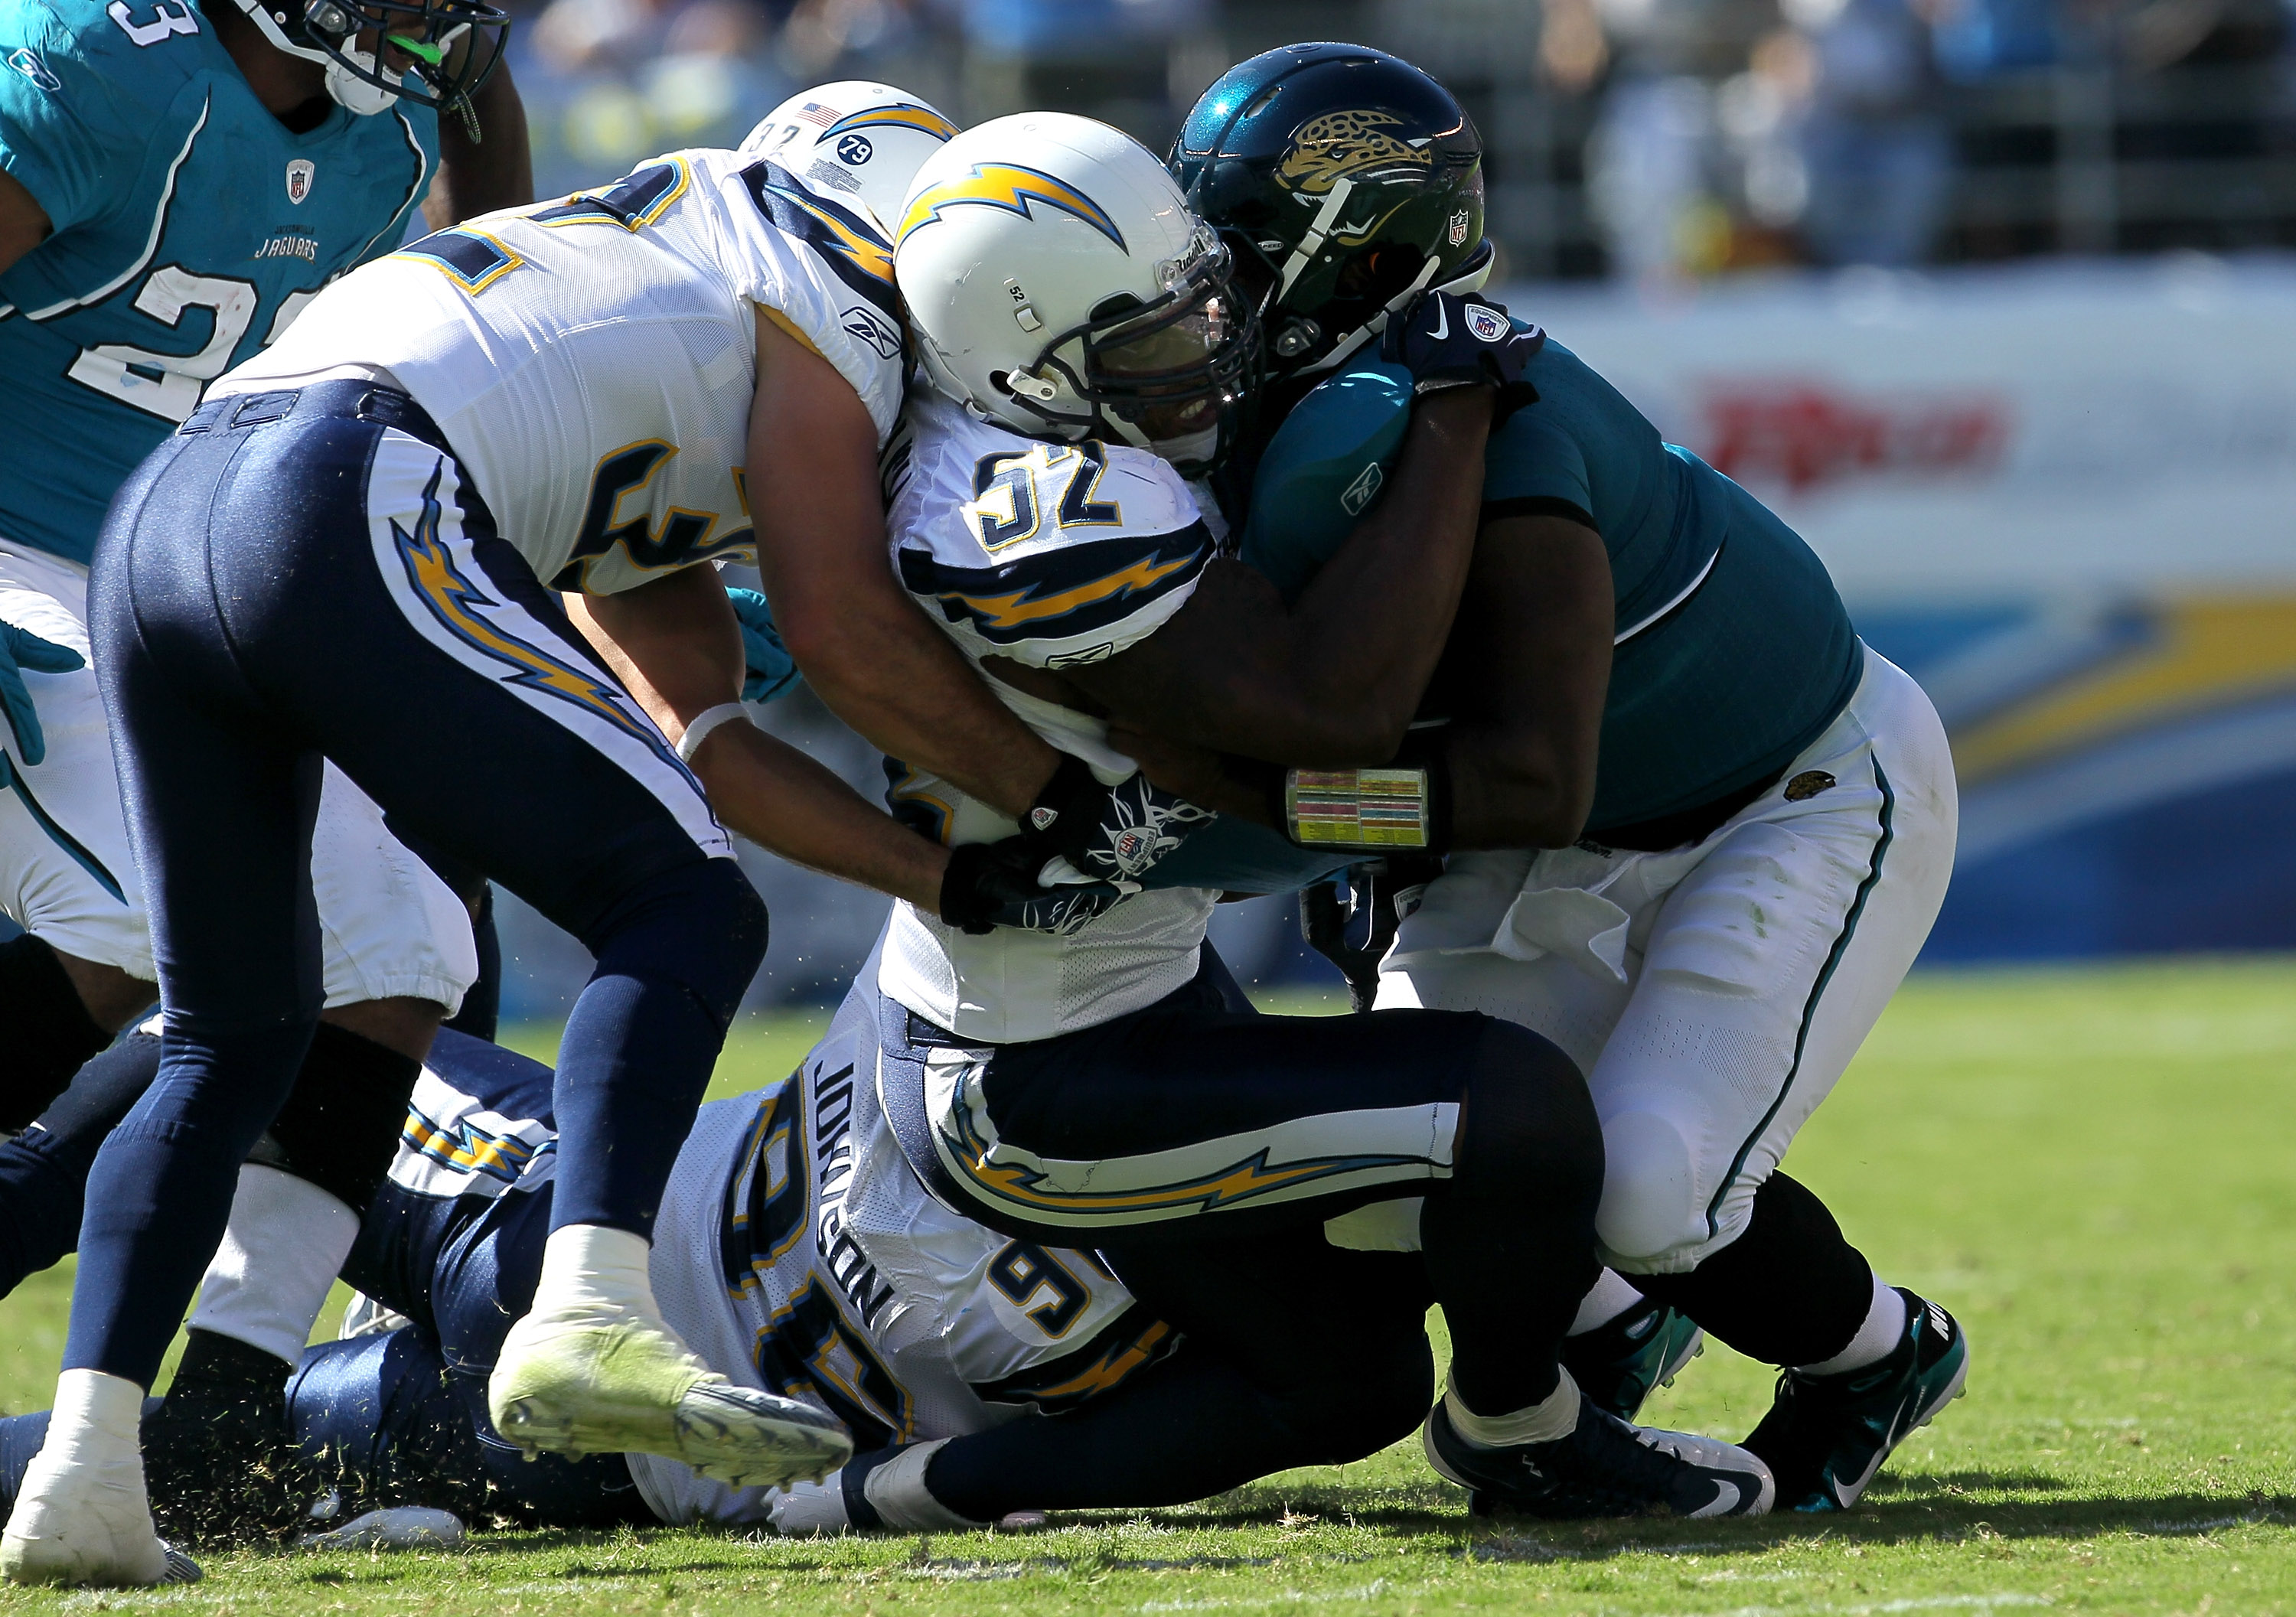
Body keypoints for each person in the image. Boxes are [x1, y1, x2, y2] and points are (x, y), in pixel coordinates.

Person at [0, 106, 1079, 1584]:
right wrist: (1057, 787)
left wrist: (949, 876)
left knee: (236, 1032)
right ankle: (589, 1303)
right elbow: (838, 631)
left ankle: (93, 1474)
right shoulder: (815, 295)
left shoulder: (660, 300)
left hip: (172, 519)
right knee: (683, 910)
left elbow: (712, 740)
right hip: (341, 484)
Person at [722, 109, 1776, 1525]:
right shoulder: (1029, 517)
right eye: (1145, 344)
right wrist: (1458, 416)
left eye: (1196, 311)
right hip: (1025, 1074)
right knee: (1511, 1105)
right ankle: (1530, 1430)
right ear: (1018, 365)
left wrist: (1372, 820)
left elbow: (1274, 776)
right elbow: (1325, 715)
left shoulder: (1056, 413)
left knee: (1344, 1385)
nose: (1201, 359)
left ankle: (866, 1499)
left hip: (1139, 995)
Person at [1155, 42, 1968, 1514]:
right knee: (1411, 1154)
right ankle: (1603, 1326)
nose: (1204, 293)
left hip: (1784, 796)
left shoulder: (1493, 413)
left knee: (1652, 1189)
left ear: (1355, 246)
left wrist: (1288, 826)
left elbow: (1522, 778)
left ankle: (1874, 1353)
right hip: (1546, 832)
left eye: (1234, 253)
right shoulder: (1307, 399)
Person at [0, 0, 536, 1561]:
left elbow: (482, 302)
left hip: (184, 572)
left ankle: (226, 1440)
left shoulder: (398, 108)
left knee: (402, 949)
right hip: (24, 556)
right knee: (163, 940)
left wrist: (483, 113)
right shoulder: (94, 64)